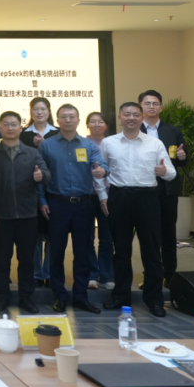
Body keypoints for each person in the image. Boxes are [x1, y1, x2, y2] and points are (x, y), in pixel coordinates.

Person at [101, 102, 176, 316]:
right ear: (120, 118)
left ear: (141, 118)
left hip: (147, 198)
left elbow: (171, 173)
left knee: (151, 251)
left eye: (135, 114)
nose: (131, 118)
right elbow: (100, 171)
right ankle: (120, 296)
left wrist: (163, 171)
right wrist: (103, 196)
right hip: (119, 197)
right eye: (127, 114)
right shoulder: (108, 143)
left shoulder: (155, 143)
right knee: (121, 251)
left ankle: (154, 300)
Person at [38, 104, 109, 314]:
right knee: (56, 252)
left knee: (83, 252)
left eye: (72, 116)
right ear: (57, 120)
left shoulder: (88, 145)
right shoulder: (47, 145)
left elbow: (102, 165)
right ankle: (59, 296)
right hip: (56, 204)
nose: (68, 120)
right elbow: (39, 175)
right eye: (64, 117)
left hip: (83, 206)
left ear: (78, 120)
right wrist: (42, 201)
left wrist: (102, 171)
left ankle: (80, 297)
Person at [0, 111, 50, 314]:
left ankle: (26, 297)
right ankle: (2, 296)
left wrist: (41, 175)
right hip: (1, 216)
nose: (10, 128)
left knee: (26, 259)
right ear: (0, 128)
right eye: (6, 124)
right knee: (2, 259)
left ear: (21, 128)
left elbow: (47, 174)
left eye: (14, 124)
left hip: (28, 216)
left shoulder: (32, 153)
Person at [138, 90, 188, 287]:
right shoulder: (134, 129)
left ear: (161, 107)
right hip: (143, 189)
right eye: (147, 103)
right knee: (148, 235)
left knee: (168, 233)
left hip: (167, 189)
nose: (151, 106)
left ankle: (170, 275)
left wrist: (183, 157)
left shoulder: (172, 131)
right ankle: (151, 275)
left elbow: (182, 159)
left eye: (155, 103)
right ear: (141, 106)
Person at [21, 97, 57, 288]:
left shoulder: (57, 133)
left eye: (43, 109)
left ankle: (49, 273)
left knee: (52, 234)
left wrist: (45, 146)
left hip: (53, 189)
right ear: (31, 112)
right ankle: (36, 273)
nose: (40, 112)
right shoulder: (23, 134)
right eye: (36, 109)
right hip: (29, 190)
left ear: (49, 111)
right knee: (33, 235)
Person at [85, 112, 115, 291]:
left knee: (107, 237)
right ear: (87, 125)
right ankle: (91, 274)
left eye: (100, 121)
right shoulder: (81, 143)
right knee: (87, 237)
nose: (96, 124)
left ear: (106, 125)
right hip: (87, 195)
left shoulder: (113, 143)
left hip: (108, 196)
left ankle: (107, 274)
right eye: (93, 121)